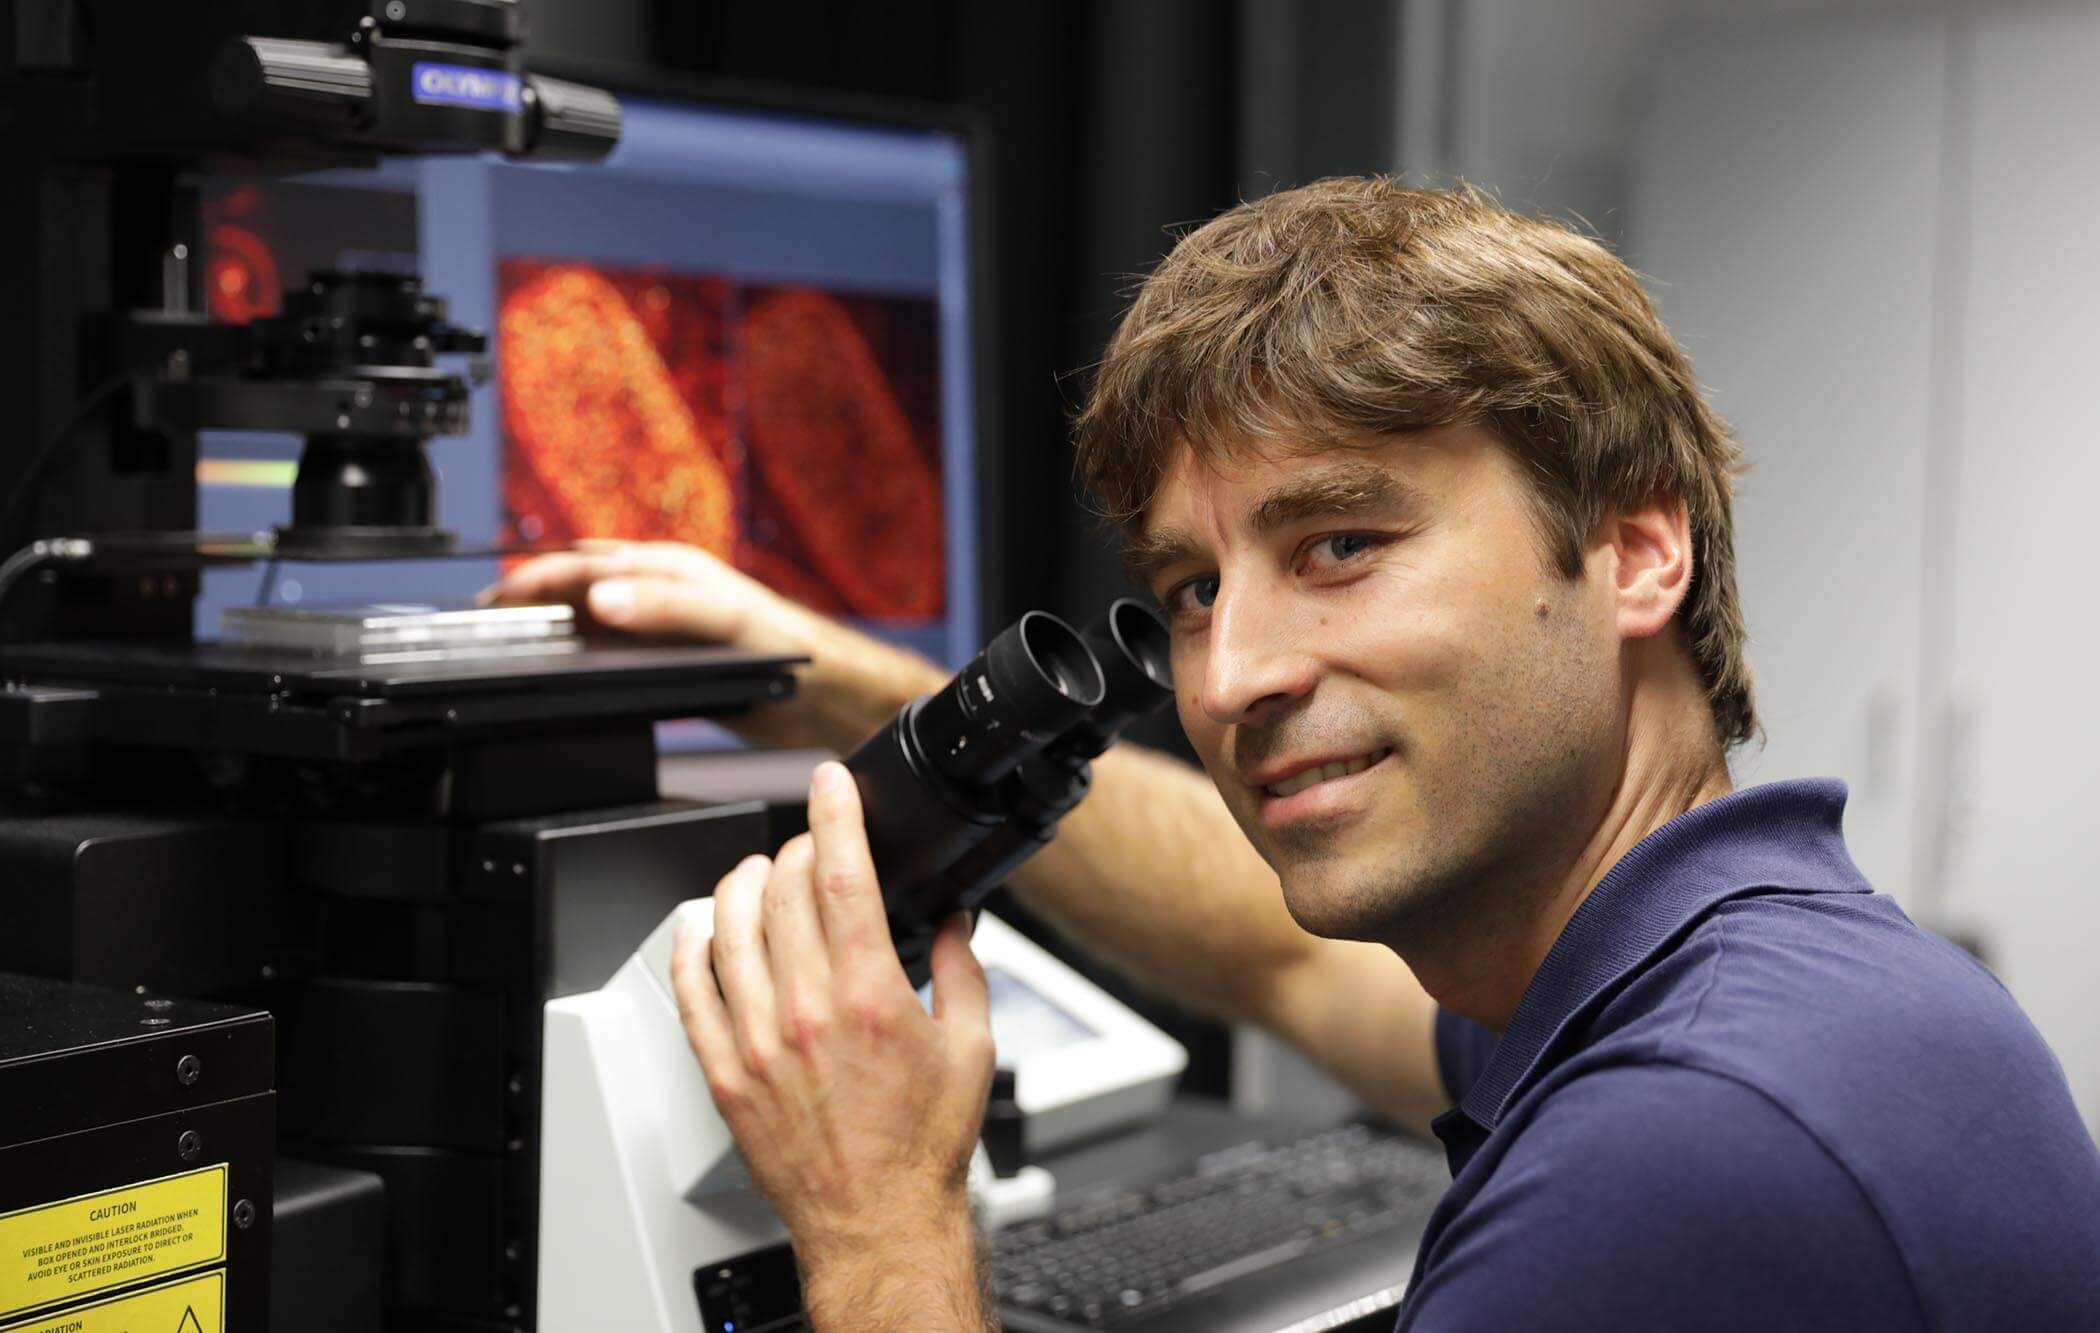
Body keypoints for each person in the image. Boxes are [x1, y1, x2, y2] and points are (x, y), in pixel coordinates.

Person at [496, 179, 2100, 1330]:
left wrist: (875, 1221)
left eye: (1339, 542)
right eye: (1192, 590)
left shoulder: (1689, 1149)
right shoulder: (1747, 975)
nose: (1234, 673)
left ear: (1632, 553)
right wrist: (828, 678)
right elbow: (1280, 956)